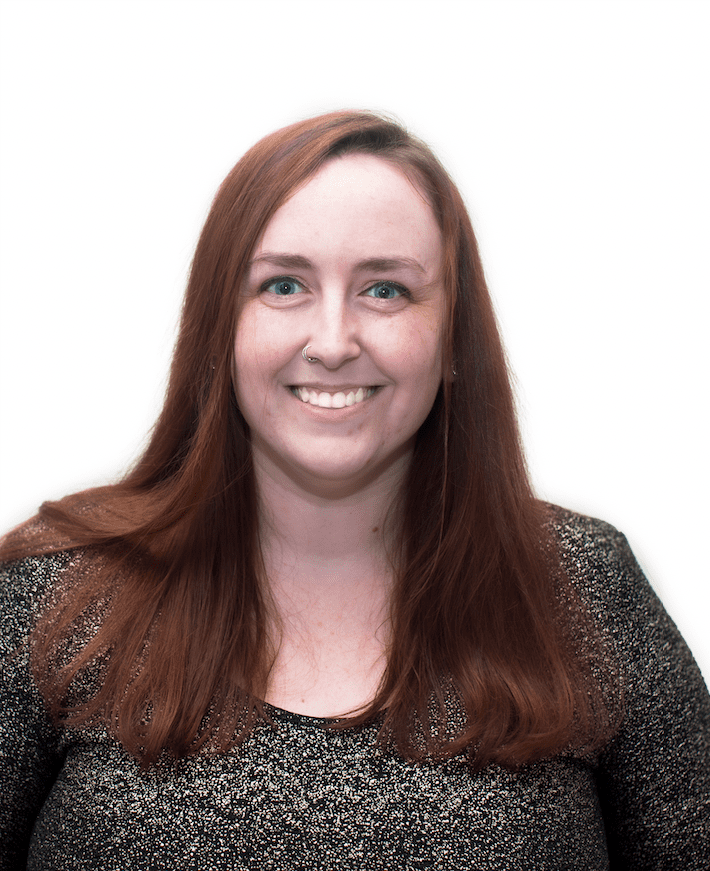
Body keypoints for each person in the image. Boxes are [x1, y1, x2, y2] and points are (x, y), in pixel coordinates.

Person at [0, 111, 707, 870]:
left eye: (384, 289)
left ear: (452, 336)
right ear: (219, 328)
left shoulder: (582, 585)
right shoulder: (52, 594)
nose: (334, 341)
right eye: (283, 285)